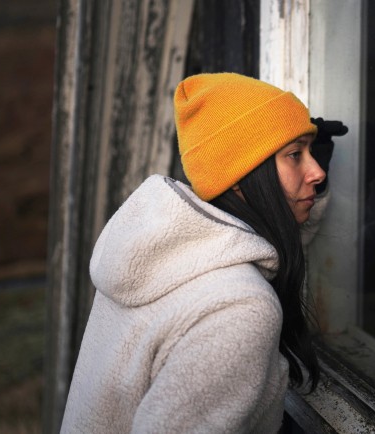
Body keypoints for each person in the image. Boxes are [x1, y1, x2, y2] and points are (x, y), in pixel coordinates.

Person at [60, 72, 346, 433]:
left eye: (310, 152)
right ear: (241, 175)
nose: (317, 171)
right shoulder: (239, 309)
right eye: (294, 154)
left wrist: (304, 190)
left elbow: (262, 254)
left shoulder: (161, 256)